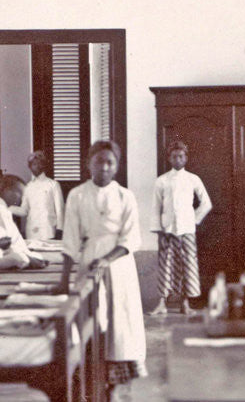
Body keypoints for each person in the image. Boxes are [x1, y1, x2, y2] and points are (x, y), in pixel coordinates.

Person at [59, 140, 147, 388]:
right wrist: (64, 281)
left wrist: (106, 260)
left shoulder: (125, 196)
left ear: (117, 166)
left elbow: (131, 238)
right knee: (89, 322)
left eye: (110, 162)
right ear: (89, 164)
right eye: (100, 161)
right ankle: (89, 378)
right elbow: (70, 240)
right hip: (89, 262)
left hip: (119, 265)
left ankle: (114, 382)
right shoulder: (77, 195)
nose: (105, 167)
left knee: (119, 322)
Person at [148, 139, 212, 316]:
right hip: (167, 229)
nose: (177, 159)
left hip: (187, 229)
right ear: (169, 158)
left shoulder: (193, 179)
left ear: (186, 158)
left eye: (181, 156)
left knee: (187, 265)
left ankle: (185, 304)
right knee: (165, 264)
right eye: (174, 156)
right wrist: (158, 229)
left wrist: (193, 220)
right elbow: (156, 207)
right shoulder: (162, 181)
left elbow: (206, 203)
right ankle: (162, 303)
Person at [0, 174, 48, 269]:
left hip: (9, 251)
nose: (22, 198)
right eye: (20, 193)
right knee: (23, 259)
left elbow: (14, 240)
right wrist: (29, 257)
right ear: (7, 191)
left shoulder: (4, 209)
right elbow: (5, 243)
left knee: (39, 256)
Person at [12, 151, 65, 240]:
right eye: (32, 164)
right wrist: (9, 209)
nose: (35, 166)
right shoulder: (28, 187)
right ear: (29, 167)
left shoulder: (53, 185)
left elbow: (60, 210)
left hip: (48, 231)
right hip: (32, 232)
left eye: (38, 163)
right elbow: (24, 210)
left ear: (43, 165)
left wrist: (60, 229)